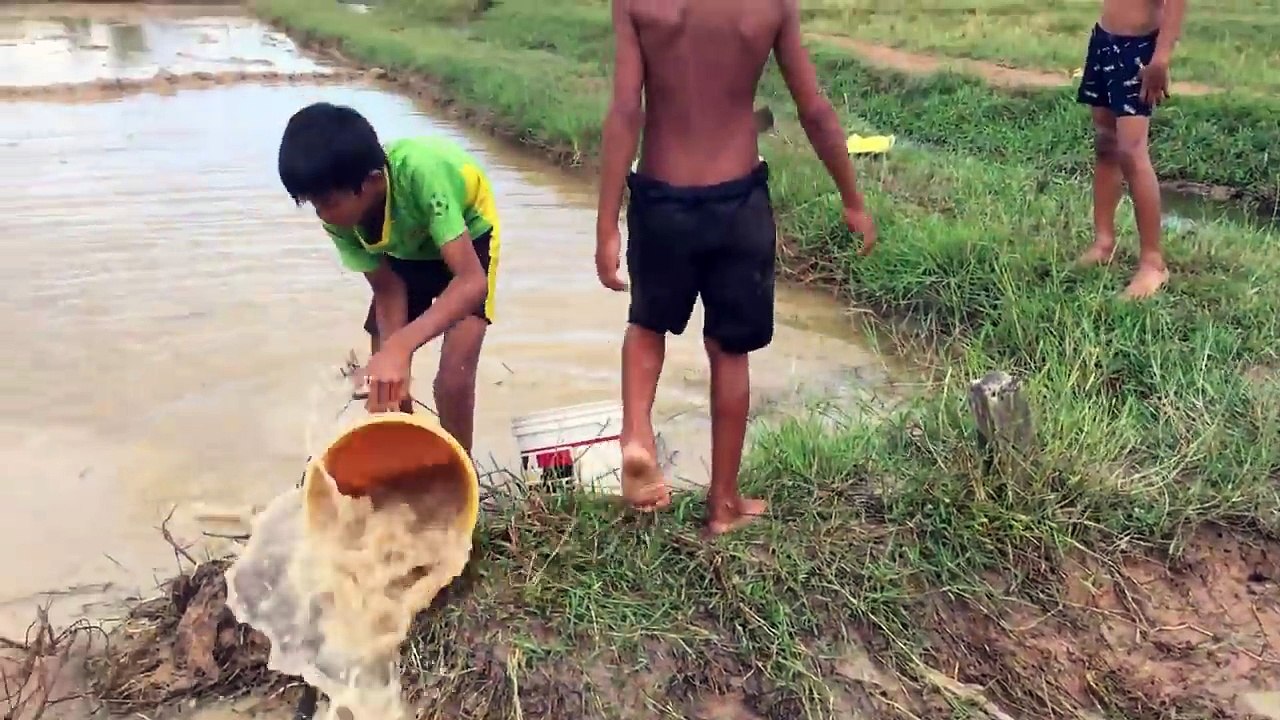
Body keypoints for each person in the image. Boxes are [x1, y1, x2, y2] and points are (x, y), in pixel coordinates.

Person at [595, 0, 876, 537]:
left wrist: (608, 221)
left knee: (647, 325)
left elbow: (626, 109)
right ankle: (723, 503)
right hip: (738, 202)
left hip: (662, 197)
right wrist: (852, 197)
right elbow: (812, 107)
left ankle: (638, 435)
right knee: (729, 350)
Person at [278, 102, 500, 454]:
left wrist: (400, 345)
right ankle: (404, 464)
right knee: (386, 384)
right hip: (404, 253)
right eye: (313, 204)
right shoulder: (340, 216)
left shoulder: (422, 173)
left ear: (372, 182)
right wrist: (395, 356)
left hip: (467, 240)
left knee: (452, 381)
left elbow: (472, 283)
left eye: (328, 203)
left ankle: (460, 471)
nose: (323, 215)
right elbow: (387, 288)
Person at [1075, 0, 1185, 299]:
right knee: (1105, 143)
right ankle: (1103, 243)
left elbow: (1175, 5)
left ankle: (1153, 263)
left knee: (1131, 151)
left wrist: (1161, 58)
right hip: (1104, 39)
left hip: (1139, 49)